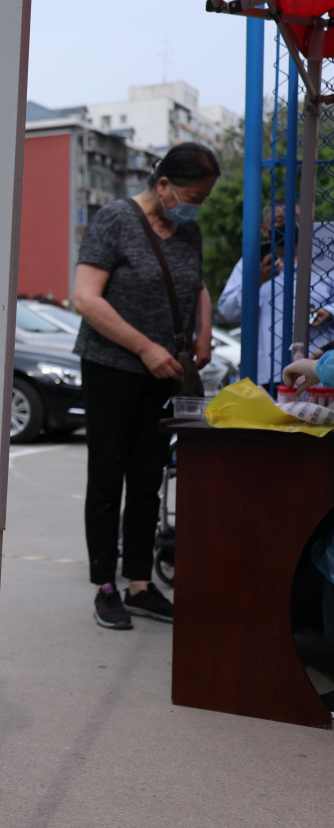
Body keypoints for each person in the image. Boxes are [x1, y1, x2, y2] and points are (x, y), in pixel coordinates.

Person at [71, 142, 219, 631]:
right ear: (163, 184)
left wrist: (203, 332)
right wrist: (144, 348)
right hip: (112, 366)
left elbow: (197, 285)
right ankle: (105, 586)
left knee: (147, 479)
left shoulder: (188, 231)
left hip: (165, 372)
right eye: (193, 196)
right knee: (107, 477)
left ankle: (139, 584)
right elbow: (86, 298)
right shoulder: (116, 219)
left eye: (204, 198)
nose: (197, 206)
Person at [217, 204, 334, 381]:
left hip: (318, 369)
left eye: (296, 220)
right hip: (269, 370)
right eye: (279, 221)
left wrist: (329, 311)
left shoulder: (325, 260)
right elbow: (228, 311)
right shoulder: (252, 262)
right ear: (265, 230)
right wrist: (257, 282)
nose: (290, 226)